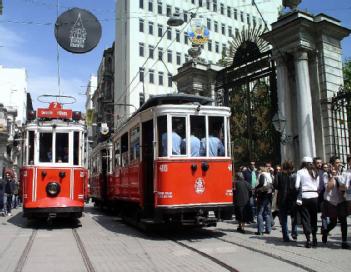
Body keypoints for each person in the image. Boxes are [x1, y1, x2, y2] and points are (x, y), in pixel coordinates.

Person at [322, 156, 350, 249]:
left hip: (341, 200)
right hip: (331, 200)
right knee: (333, 222)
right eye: (337, 162)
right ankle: (325, 231)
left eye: (339, 162)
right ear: (332, 164)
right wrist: (333, 176)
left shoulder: (342, 173)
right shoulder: (326, 174)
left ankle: (344, 241)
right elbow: (328, 187)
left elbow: (344, 186)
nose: (339, 164)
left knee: (343, 221)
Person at [295, 156, 320, 248]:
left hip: (305, 196)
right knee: (314, 218)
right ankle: (314, 238)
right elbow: (317, 186)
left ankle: (308, 239)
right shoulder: (315, 172)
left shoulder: (300, 172)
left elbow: (297, 186)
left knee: (305, 218)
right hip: (314, 196)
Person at [274, 160, 298, 242]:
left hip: (282, 199)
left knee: (283, 219)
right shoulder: (295, 175)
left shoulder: (279, 175)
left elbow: (276, 186)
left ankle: (285, 236)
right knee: (293, 216)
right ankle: (294, 232)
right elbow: (297, 187)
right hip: (293, 199)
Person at [255, 166, 273, 235]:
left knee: (259, 213)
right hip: (268, 195)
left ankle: (260, 230)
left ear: (261, 170)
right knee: (267, 213)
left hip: (262, 196)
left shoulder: (262, 175)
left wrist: (256, 188)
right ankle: (268, 229)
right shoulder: (269, 175)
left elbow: (261, 183)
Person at [313, 157, 328, 234]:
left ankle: (324, 228)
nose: (319, 164)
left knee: (324, 212)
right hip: (314, 195)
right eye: (317, 163)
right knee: (314, 213)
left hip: (322, 195)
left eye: (320, 163)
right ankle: (314, 228)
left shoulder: (324, 172)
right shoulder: (312, 172)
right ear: (314, 164)